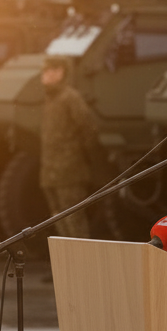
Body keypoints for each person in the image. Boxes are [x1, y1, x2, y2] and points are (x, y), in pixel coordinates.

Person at [40, 55, 101, 239]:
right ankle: (67, 264)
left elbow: (88, 130)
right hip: (51, 173)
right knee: (58, 219)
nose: (44, 75)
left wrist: (81, 160)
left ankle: (81, 264)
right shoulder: (51, 99)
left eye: (49, 70)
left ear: (60, 72)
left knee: (74, 221)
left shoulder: (70, 98)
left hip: (69, 172)